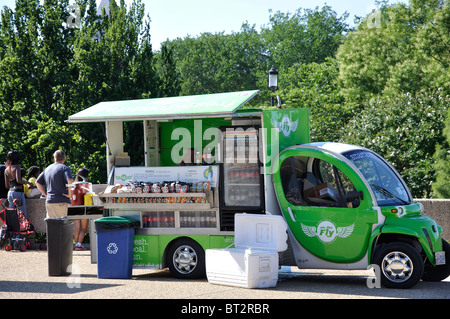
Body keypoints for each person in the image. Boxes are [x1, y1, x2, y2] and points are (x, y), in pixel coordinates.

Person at [36, 150, 74, 219]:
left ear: (54, 159)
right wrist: (70, 195)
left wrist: (46, 195)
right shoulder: (65, 168)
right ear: (64, 159)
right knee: (63, 226)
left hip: (49, 202)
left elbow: (37, 182)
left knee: (52, 226)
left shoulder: (47, 169)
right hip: (61, 201)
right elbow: (70, 180)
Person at [4, 150, 32, 216]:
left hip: (10, 193)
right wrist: (28, 182)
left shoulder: (6, 170)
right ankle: (23, 226)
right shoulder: (17, 166)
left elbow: (7, 186)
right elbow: (18, 180)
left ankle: (12, 226)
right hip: (18, 193)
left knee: (12, 215)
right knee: (22, 215)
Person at [74, 168, 89, 251]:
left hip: (75, 207)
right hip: (84, 207)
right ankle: (79, 244)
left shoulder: (74, 184)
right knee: (83, 227)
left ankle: (76, 244)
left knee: (77, 226)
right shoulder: (86, 184)